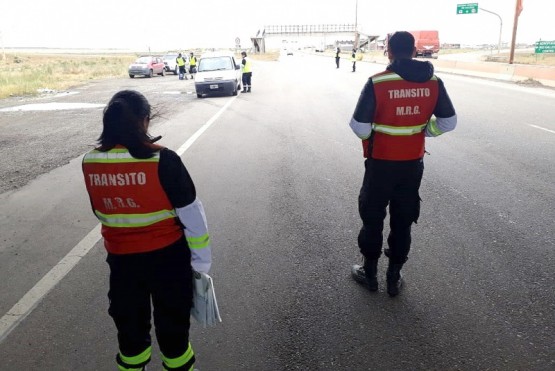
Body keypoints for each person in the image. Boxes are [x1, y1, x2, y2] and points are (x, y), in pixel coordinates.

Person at [82, 90, 212, 370]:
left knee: (129, 327)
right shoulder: (163, 160)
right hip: (168, 259)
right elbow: (193, 216)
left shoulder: (91, 161)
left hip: (121, 261)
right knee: (173, 327)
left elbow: (100, 210)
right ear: (145, 120)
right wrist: (200, 263)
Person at [349, 31, 457, 297]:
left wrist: (376, 135)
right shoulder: (434, 82)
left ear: (389, 51)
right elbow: (448, 123)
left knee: (372, 216)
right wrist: (422, 130)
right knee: (403, 219)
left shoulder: (378, 82)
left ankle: (370, 274)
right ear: (414, 50)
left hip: (380, 164)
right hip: (412, 166)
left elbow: (359, 127)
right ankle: (394, 278)